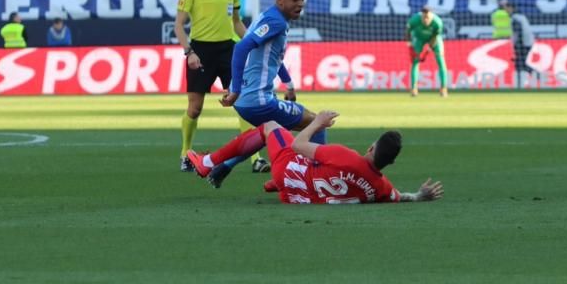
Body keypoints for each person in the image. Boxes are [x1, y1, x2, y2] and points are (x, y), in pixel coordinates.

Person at [186, 110, 444, 204]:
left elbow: (299, 145)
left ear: (371, 148)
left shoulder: (345, 155)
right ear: (390, 163)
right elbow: (402, 197)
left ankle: (206, 164)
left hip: (290, 173)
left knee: (271, 127)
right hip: (298, 195)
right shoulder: (382, 187)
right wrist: (421, 195)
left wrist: (317, 123)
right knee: (321, 165)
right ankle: (275, 184)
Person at [210, 0, 319, 187]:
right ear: (280, 0)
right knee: (316, 122)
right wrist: (236, 90)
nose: (300, 3)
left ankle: (224, 167)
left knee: (271, 132)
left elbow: (273, 58)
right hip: (256, 99)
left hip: (247, 100)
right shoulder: (276, 22)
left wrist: (288, 84)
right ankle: (316, 176)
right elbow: (241, 48)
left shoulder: (268, 16)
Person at [173, 0, 261, 173]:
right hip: (200, 51)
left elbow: (236, 22)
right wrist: (189, 52)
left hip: (228, 50)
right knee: (195, 107)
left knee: (242, 102)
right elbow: (179, 25)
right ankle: (185, 153)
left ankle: (256, 158)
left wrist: (252, 42)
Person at [406, 5, 448, 97]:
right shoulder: (415, 19)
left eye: (427, 18)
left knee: (441, 60)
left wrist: (428, 49)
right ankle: (414, 89)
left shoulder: (437, 23)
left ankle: (443, 88)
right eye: (424, 17)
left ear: (431, 16)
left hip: (434, 39)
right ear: (421, 15)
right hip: (419, 39)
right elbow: (408, 30)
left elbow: (435, 37)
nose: (425, 20)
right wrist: (409, 44)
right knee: (415, 62)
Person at [499, 0, 536, 87]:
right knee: (520, 63)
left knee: (520, 63)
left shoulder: (515, 18)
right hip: (527, 42)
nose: (505, 10)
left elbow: (518, 32)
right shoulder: (519, 16)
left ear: (511, 8)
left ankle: (538, 76)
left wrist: (517, 47)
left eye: (506, 8)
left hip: (523, 43)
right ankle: (519, 83)